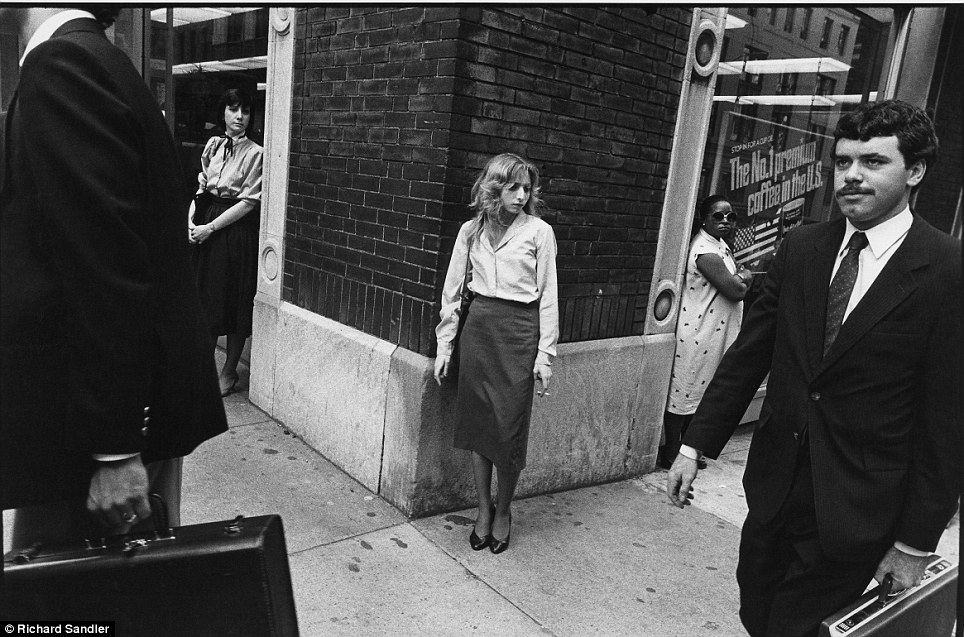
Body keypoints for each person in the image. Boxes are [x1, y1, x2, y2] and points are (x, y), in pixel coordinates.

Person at [666, 100, 961, 637]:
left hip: (857, 510)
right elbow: (749, 355)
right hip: (773, 491)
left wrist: (916, 542)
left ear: (914, 171)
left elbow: (947, 421)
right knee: (758, 616)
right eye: (843, 161)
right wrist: (694, 444)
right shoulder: (802, 248)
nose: (851, 175)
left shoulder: (946, 271)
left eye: (872, 162)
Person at [0, 7, 227, 547]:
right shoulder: (95, 60)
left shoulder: (63, 65)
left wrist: (116, 446)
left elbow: (107, 267)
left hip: (87, 440)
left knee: (68, 608)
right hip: (95, 424)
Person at [434, 153, 559, 554]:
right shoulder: (470, 232)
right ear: (494, 188)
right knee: (477, 427)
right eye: (513, 187)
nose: (522, 195)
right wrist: (445, 346)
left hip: (519, 334)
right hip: (480, 331)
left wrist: (545, 356)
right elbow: (452, 293)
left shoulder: (539, 232)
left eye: (527, 188)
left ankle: (504, 509)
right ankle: (483, 510)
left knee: (508, 431)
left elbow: (550, 297)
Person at [659, 195, 753, 469]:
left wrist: (740, 279)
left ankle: (687, 447)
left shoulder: (720, 245)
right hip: (699, 332)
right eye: (718, 216)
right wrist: (744, 277)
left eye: (730, 217)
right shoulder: (705, 251)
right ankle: (672, 450)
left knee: (701, 391)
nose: (725, 222)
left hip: (714, 332)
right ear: (704, 218)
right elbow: (735, 290)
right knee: (685, 390)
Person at [189, 89, 264, 397]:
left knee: (233, 302)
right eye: (233, 110)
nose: (239, 116)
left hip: (233, 233)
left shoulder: (255, 153)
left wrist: (211, 227)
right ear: (223, 113)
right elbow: (202, 187)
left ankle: (229, 371)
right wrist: (190, 221)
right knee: (205, 301)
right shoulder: (214, 145)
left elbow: (248, 202)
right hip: (206, 228)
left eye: (245, 111)